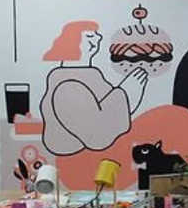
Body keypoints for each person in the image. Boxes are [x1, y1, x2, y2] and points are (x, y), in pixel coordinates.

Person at [40, 21, 148, 156]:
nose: (98, 38)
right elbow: (97, 134)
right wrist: (125, 94)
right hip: (72, 159)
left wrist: (124, 98)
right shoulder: (66, 87)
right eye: (90, 36)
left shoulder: (91, 76)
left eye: (97, 35)